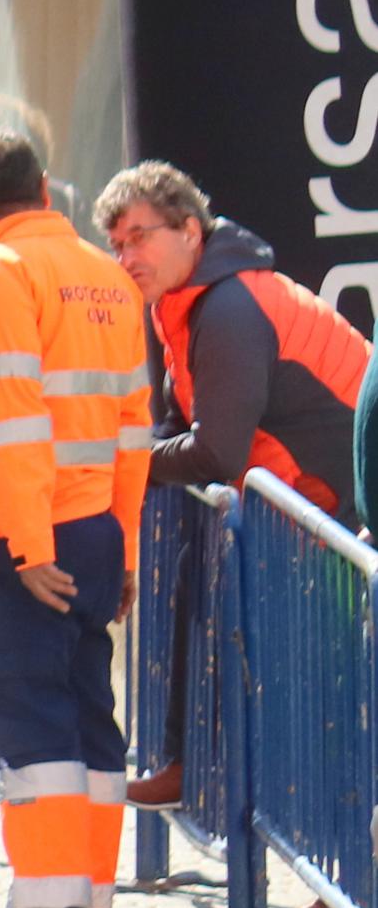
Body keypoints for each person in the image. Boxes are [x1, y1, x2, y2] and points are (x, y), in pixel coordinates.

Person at [96, 162, 368, 846]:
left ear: (189, 229)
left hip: (331, 508)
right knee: (199, 589)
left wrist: (119, 462)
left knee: (322, 695)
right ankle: (189, 764)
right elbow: (176, 427)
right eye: (116, 243)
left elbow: (215, 451)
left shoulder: (225, 307)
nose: (125, 256)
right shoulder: (183, 301)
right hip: (293, 505)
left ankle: (340, 869)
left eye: (137, 237)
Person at [0, 129, 151, 908]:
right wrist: (126, 546)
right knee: (86, 715)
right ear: (45, 191)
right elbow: (134, 428)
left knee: (32, 719)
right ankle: (87, 905)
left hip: (28, 532)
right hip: (97, 522)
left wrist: (27, 545)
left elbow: (13, 419)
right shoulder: (104, 276)